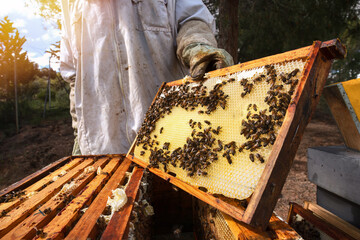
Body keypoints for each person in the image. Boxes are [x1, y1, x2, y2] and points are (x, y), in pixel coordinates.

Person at [60, 0, 234, 155]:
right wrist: (79, 133)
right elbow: (74, 76)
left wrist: (196, 45)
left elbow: (192, 18)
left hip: (171, 138)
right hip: (104, 147)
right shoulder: (70, 4)